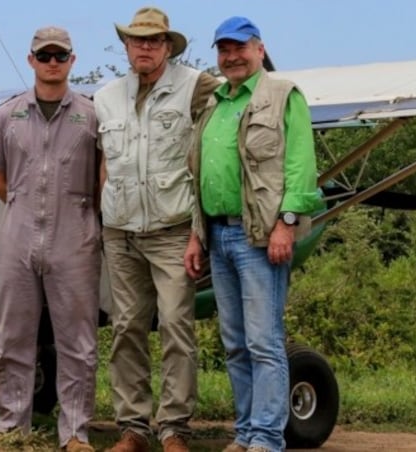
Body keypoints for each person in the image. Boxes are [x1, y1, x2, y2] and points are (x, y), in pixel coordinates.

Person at [184, 16, 323, 452]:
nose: (231, 56)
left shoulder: (283, 96)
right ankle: (244, 434)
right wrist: (196, 235)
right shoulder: (214, 103)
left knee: (264, 341)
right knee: (235, 343)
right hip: (218, 235)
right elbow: (199, 175)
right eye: (223, 50)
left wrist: (286, 223)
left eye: (240, 47)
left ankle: (266, 437)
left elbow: (302, 165)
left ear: (260, 50)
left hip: (260, 236)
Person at [93, 6, 220, 452]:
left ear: (168, 46)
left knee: (175, 326)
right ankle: (132, 427)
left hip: (173, 228)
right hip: (120, 231)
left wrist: (199, 230)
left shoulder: (197, 86)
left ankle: (174, 429)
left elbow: (231, 118)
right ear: (125, 46)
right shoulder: (104, 96)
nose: (145, 47)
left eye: (154, 40)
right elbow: (102, 162)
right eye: (137, 39)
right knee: (126, 326)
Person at [0, 25, 101, 452]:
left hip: (75, 236)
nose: (52, 62)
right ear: (31, 60)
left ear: (72, 61)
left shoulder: (91, 115)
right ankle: (12, 426)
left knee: (77, 340)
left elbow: (102, 179)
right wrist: (23, 204)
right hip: (19, 233)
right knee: (12, 333)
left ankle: (75, 432)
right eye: (44, 55)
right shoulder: (5, 115)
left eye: (60, 56)